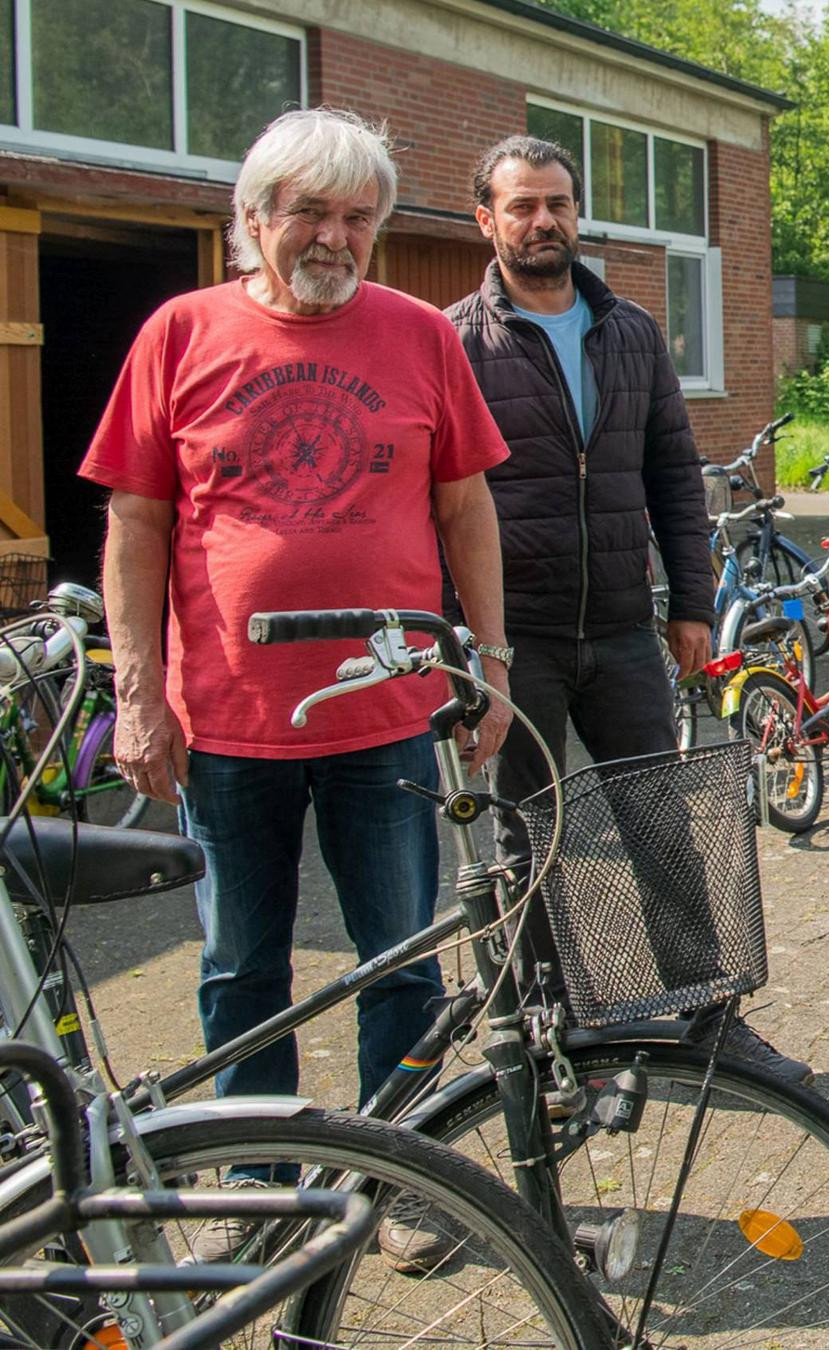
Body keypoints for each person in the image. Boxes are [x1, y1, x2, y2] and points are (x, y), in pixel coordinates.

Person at [80, 108, 514, 1257]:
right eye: (311, 214)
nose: (335, 238)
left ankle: (402, 1179)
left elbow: (466, 507)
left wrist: (493, 662)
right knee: (238, 970)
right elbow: (136, 524)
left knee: (400, 956)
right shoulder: (180, 333)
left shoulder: (421, 335)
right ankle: (262, 1188)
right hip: (226, 717)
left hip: (385, 708)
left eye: (357, 218)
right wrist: (137, 692)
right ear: (255, 217)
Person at [446, 135, 809, 1085]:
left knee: (664, 823)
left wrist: (692, 603)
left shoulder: (631, 331)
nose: (543, 222)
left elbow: (674, 483)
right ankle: (552, 1032)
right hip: (510, 640)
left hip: (620, 626)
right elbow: (436, 500)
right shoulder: (452, 340)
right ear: (486, 220)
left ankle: (709, 1017)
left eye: (558, 204)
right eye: (522, 206)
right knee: (529, 835)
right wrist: (462, 643)